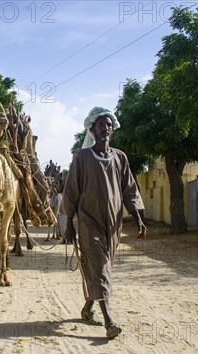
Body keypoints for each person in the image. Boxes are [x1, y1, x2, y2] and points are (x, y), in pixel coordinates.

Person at [62, 106, 146, 339]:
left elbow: (129, 189)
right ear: (92, 128)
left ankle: (88, 308)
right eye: (101, 124)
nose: (106, 128)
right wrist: (68, 222)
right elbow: (71, 192)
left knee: (103, 268)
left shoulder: (120, 158)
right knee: (99, 267)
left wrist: (138, 217)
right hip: (88, 223)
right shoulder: (81, 158)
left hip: (114, 224)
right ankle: (109, 321)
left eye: (109, 124)